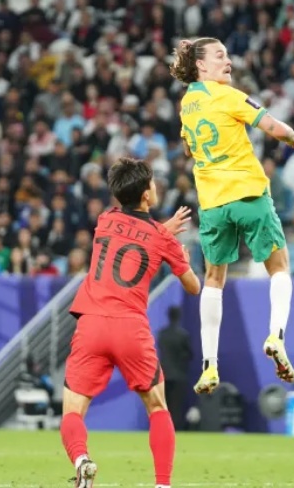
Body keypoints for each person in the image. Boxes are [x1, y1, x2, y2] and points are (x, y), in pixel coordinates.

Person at [170, 37, 294, 395]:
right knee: (279, 267)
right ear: (201, 65)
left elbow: (187, 148)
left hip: (212, 204)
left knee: (213, 280)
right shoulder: (229, 96)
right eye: (220, 55)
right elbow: (271, 126)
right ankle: (276, 336)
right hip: (247, 193)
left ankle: (209, 365)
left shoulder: (186, 105)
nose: (228, 61)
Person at [60, 158, 201, 488]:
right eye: (152, 182)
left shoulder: (105, 220)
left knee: (73, 411)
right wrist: (182, 257)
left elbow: (131, 236)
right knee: (157, 407)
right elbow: (193, 287)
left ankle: (81, 460)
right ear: (147, 194)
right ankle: (162, 484)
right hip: (130, 329)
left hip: (92, 325)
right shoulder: (162, 239)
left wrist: (162, 231)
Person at [157, 306, 193, 430]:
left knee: (164, 404)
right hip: (178, 375)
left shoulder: (162, 334)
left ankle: (163, 428)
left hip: (164, 375)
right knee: (177, 405)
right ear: (178, 316)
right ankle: (175, 429)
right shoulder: (183, 335)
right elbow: (188, 355)